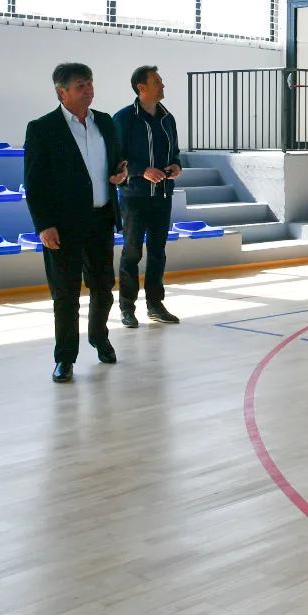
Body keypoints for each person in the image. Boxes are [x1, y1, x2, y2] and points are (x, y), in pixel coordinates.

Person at [24, 63, 128, 383]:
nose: (88, 90)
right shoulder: (42, 128)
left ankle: (99, 338)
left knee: (103, 287)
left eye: (90, 83)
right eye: (81, 85)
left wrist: (121, 174)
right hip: (63, 226)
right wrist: (43, 225)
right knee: (66, 294)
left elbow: (116, 162)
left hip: (101, 218)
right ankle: (65, 358)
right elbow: (34, 183)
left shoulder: (105, 122)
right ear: (62, 92)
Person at [113, 66, 183, 328]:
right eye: (157, 82)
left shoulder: (168, 118)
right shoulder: (123, 118)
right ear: (141, 87)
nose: (162, 86)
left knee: (157, 253)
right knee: (132, 252)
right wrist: (142, 171)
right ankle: (127, 308)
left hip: (162, 196)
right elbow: (115, 157)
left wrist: (176, 166)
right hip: (134, 196)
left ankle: (155, 305)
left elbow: (175, 153)